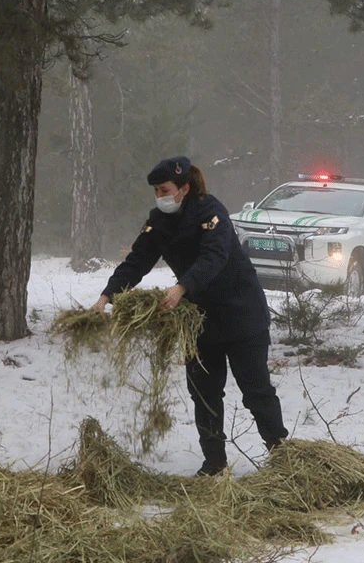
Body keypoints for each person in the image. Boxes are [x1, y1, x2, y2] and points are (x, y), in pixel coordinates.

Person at [92, 156, 288, 476]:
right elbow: (137, 261)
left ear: (184, 188)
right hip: (199, 320)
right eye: (156, 191)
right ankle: (214, 463)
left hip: (241, 315)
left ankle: (282, 457)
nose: (160, 196)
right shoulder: (159, 221)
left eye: (165, 190)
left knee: (256, 391)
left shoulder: (211, 213)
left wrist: (182, 287)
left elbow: (214, 257)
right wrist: (107, 295)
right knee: (203, 393)